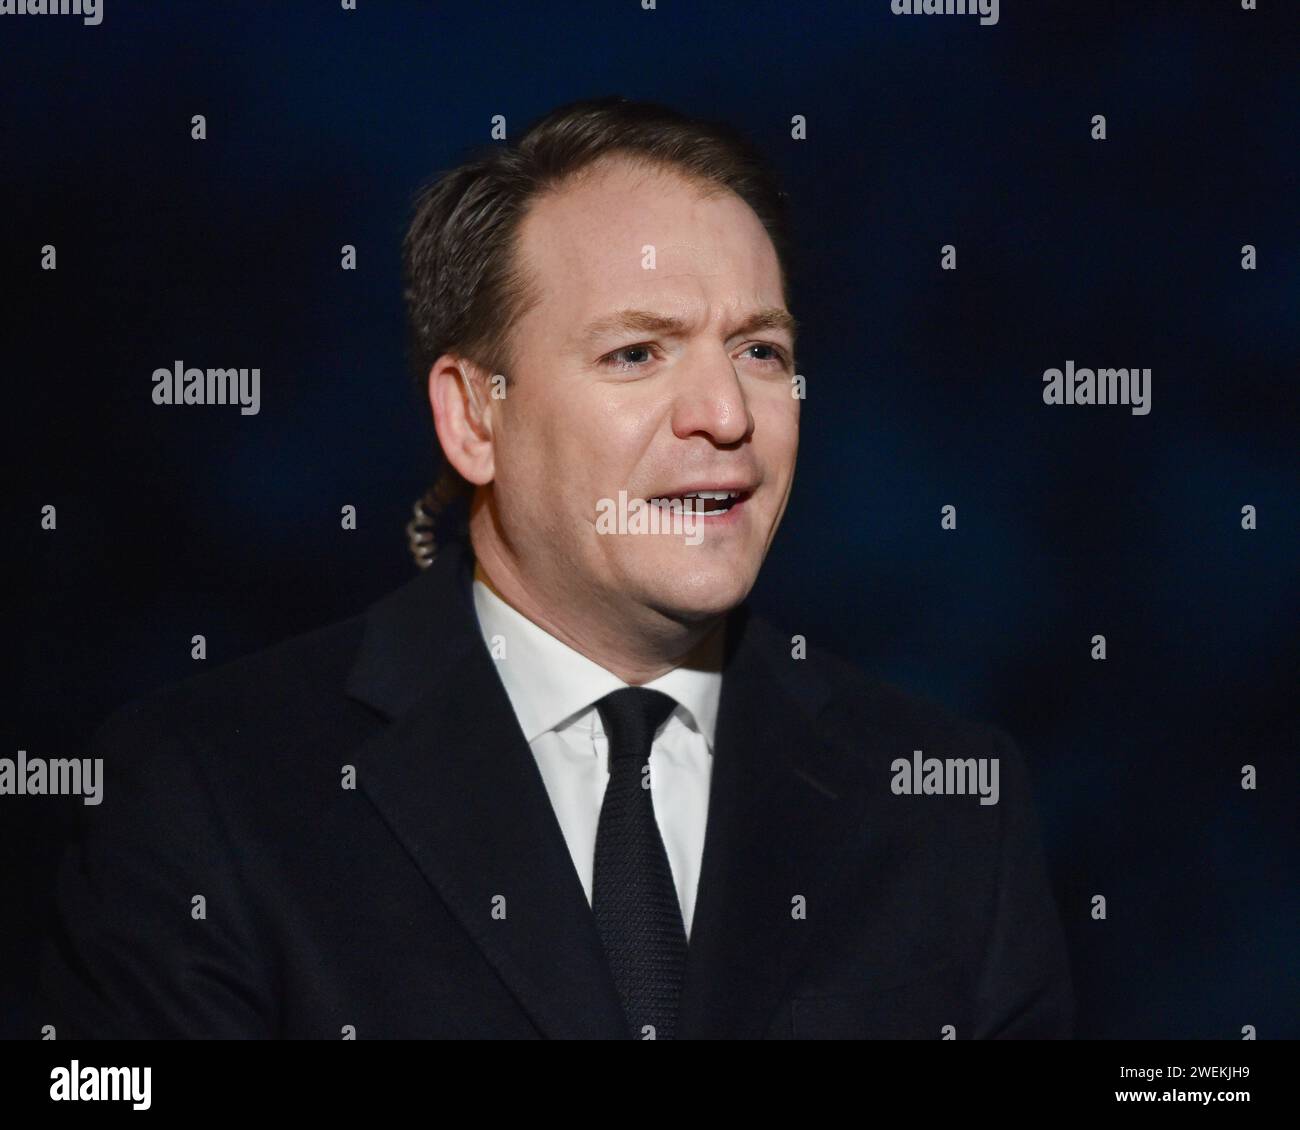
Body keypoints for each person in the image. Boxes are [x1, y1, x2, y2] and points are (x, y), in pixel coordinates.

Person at [39, 95, 1072, 1039]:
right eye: (637, 352)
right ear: (472, 416)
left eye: (760, 350)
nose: (725, 413)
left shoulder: (948, 810)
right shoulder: (209, 791)